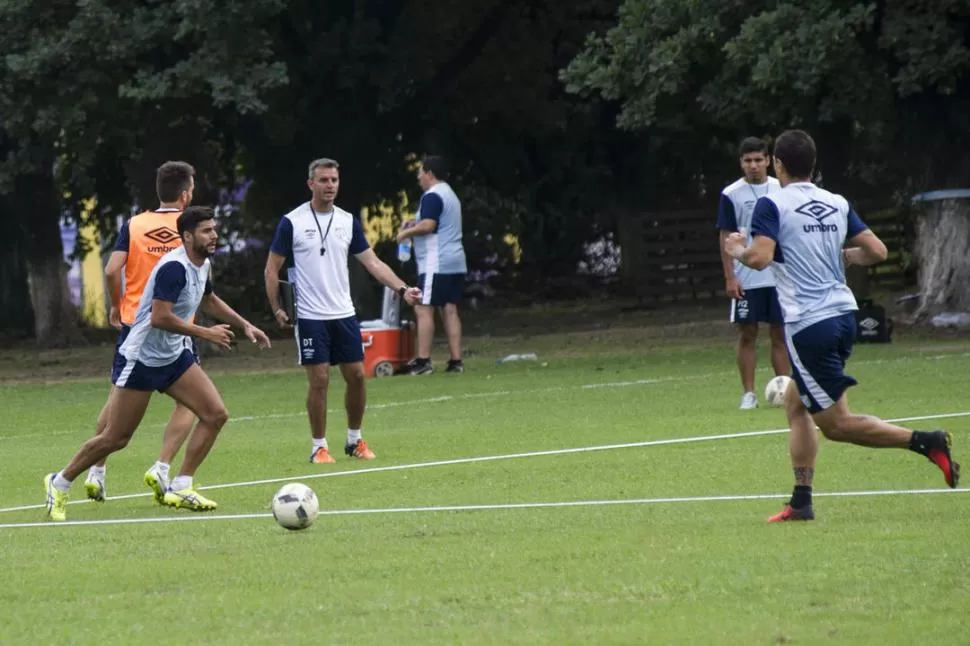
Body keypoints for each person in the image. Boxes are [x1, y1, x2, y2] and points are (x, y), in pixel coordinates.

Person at [723, 129, 960, 523]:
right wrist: (844, 254)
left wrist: (737, 252)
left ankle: (925, 442)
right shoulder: (834, 201)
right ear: (812, 165)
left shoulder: (772, 204)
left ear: (777, 165)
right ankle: (802, 501)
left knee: (836, 425)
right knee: (797, 405)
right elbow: (877, 251)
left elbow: (761, 259)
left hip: (808, 325)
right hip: (843, 316)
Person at [44, 207, 272, 521]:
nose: (214, 235)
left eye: (214, 229)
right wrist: (205, 332)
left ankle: (181, 484)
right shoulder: (173, 268)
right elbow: (159, 317)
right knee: (116, 438)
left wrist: (245, 325)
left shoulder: (201, 263)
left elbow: (208, 299)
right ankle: (60, 481)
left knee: (215, 414)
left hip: (175, 356)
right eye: (207, 231)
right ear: (188, 236)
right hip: (141, 358)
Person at [264, 158, 421, 464]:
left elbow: (373, 263)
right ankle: (319, 447)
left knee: (358, 377)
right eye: (323, 180)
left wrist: (403, 289)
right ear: (311, 184)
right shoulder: (292, 222)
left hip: (343, 314)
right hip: (309, 316)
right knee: (320, 380)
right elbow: (272, 269)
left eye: (334, 180)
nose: (330, 186)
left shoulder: (347, 221)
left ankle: (354, 440)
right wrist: (277, 308)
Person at [84, 161, 200, 504]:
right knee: (192, 404)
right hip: (175, 325)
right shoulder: (191, 227)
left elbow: (110, 270)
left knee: (116, 400)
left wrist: (117, 306)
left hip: (135, 324)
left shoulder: (135, 224)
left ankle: (97, 471)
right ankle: (162, 467)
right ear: (185, 194)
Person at [716, 137, 788, 410]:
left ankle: (784, 390)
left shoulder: (781, 188)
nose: (754, 166)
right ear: (741, 163)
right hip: (747, 276)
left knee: (780, 333)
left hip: (779, 274)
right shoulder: (731, 194)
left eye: (758, 160)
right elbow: (725, 235)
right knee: (747, 333)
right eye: (748, 161)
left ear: (768, 161)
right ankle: (749, 394)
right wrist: (730, 276)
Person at [395, 155, 467, 375]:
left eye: (420, 173)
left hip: (437, 262)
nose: (418, 177)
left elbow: (429, 225)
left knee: (422, 307)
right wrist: (415, 224)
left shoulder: (432, 196)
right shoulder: (450, 194)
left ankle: (423, 361)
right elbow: (438, 223)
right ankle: (456, 361)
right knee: (449, 309)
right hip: (455, 260)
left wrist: (405, 232)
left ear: (429, 173)